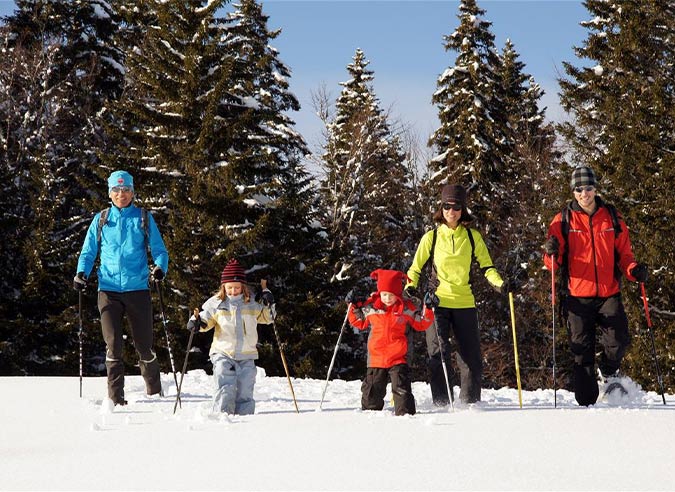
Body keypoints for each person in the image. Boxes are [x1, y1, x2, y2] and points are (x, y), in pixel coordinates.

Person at [543, 166, 648, 406]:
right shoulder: (562, 220)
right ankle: (588, 410)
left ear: (595, 188)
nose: (584, 193)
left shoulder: (611, 216)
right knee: (582, 354)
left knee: (618, 340)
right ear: (573, 191)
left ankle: (609, 372)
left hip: (608, 292)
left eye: (588, 188)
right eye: (579, 189)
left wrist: (634, 271)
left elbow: (625, 254)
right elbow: (551, 265)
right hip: (578, 296)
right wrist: (550, 253)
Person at [406, 184, 508, 406]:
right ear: (440, 209)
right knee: (438, 355)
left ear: (463, 210)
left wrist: (500, 284)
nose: (451, 211)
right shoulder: (431, 237)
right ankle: (442, 403)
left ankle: (470, 404)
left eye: (456, 207)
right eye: (446, 206)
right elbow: (415, 268)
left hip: (464, 302)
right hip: (436, 302)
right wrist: (410, 286)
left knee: (471, 358)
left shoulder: (472, 237)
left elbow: (487, 267)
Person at [74, 170, 169, 406]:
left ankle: (155, 392)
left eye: (125, 189)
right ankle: (115, 399)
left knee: (144, 345)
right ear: (110, 193)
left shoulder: (143, 217)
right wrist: (81, 273)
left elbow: (159, 250)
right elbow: (88, 252)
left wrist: (159, 268)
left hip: (137, 288)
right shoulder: (102, 219)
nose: (121, 194)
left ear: (132, 192)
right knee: (113, 344)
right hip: (108, 290)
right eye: (116, 190)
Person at [187, 258, 274, 415]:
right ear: (223, 287)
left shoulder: (252, 303)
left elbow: (268, 318)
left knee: (246, 386)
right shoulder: (217, 303)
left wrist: (269, 303)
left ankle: (245, 416)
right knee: (224, 379)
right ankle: (222, 413)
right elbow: (206, 319)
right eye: (230, 288)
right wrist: (197, 322)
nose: (233, 291)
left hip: (247, 354)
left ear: (243, 287)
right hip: (223, 351)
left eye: (237, 288)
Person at [346, 269, 435, 416]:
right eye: (384, 294)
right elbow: (358, 321)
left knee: (402, 390)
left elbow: (422, 323)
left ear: (398, 294)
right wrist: (353, 306)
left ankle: (406, 415)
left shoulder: (406, 308)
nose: (387, 298)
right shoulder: (371, 307)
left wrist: (429, 308)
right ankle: (370, 416)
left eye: (391, 295)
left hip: (398, 356)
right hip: (377, 357)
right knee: (372, 394)